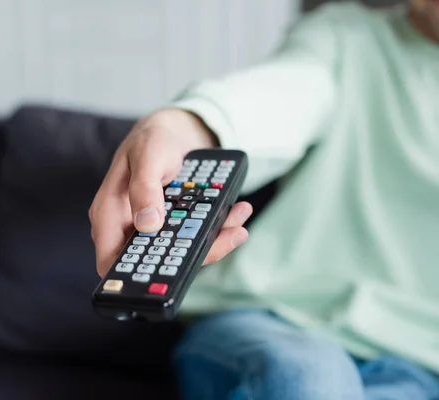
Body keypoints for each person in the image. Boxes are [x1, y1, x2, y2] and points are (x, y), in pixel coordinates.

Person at [89, 0, 439, 398]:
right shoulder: (346, 35)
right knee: (309, 380)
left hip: (417, 364)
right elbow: (285, 96)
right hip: (274, 319)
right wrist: (187, 126)